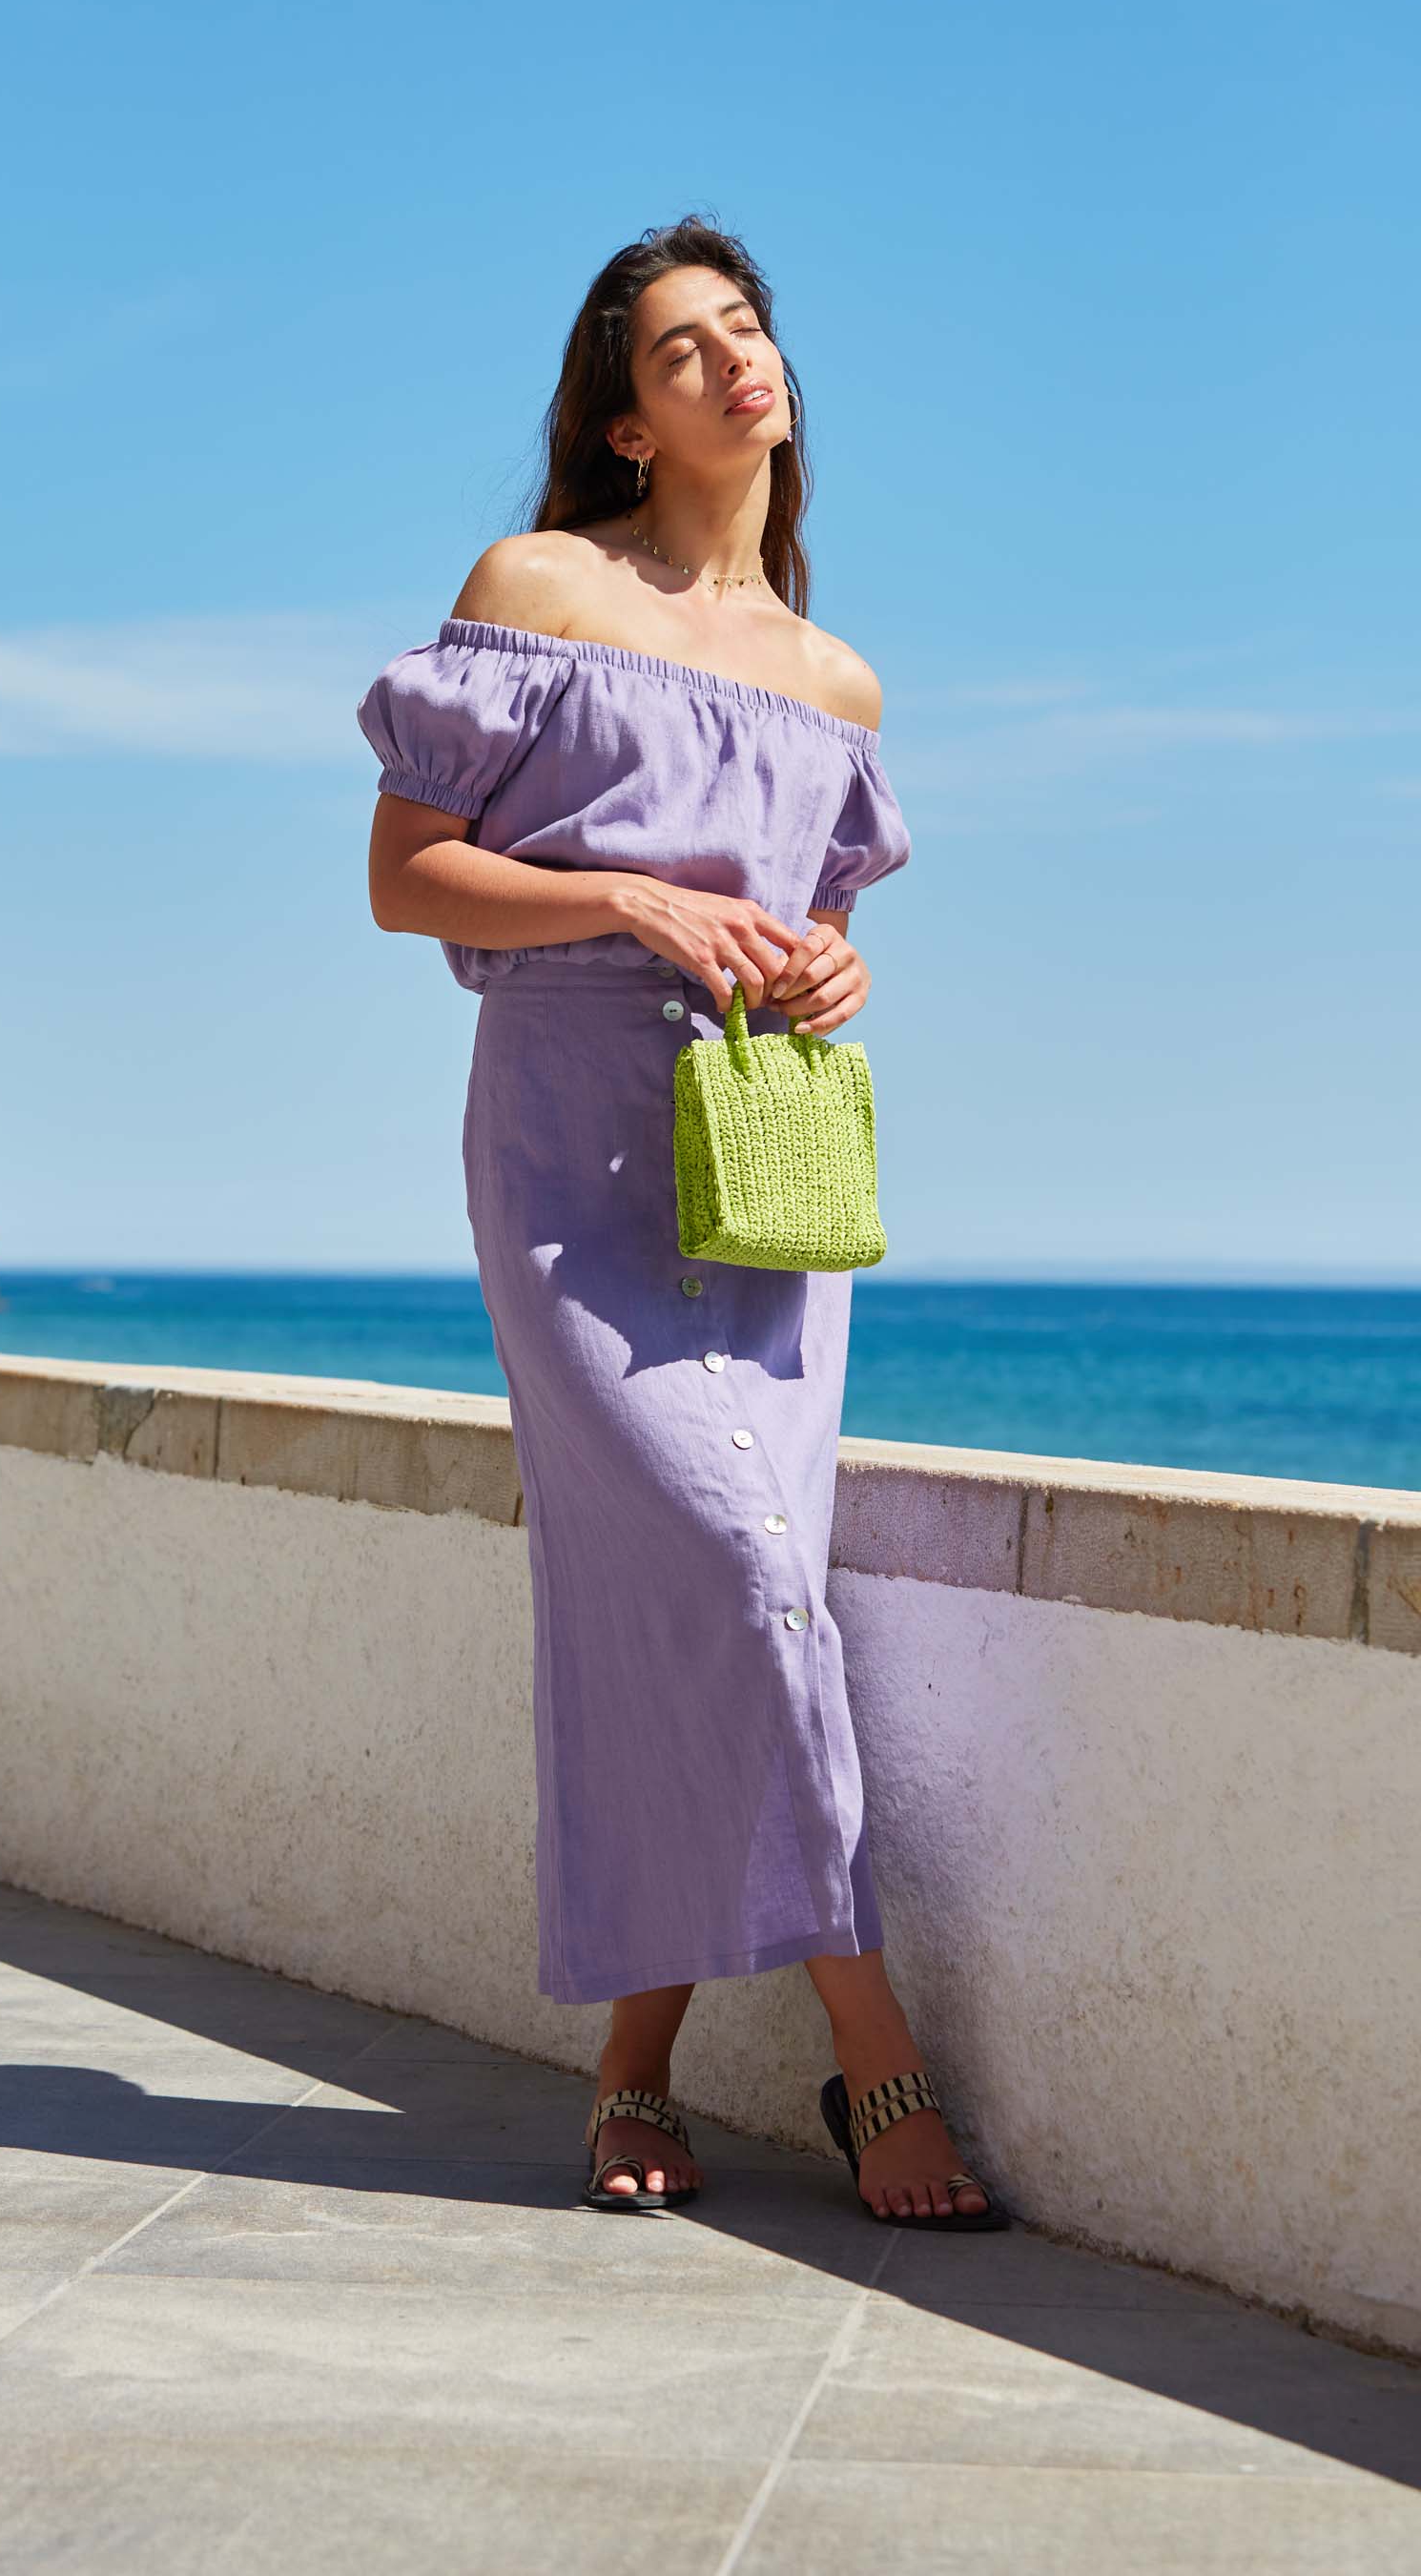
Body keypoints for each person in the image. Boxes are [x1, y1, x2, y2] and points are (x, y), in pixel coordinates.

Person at [356, 215, 1003, 2230]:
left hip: (764, 1166)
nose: (733, 365)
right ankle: (869, 2058)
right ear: (621, 422)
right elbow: (407, 880)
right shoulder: (535, 589)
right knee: (739, 1576)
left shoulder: (834, 677)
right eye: (678, 351)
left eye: (747, 332)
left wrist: (836, 974)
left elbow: (818, 933)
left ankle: (632, 2076)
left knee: (712, 1605)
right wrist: (627, 897)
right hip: (565, 1146)